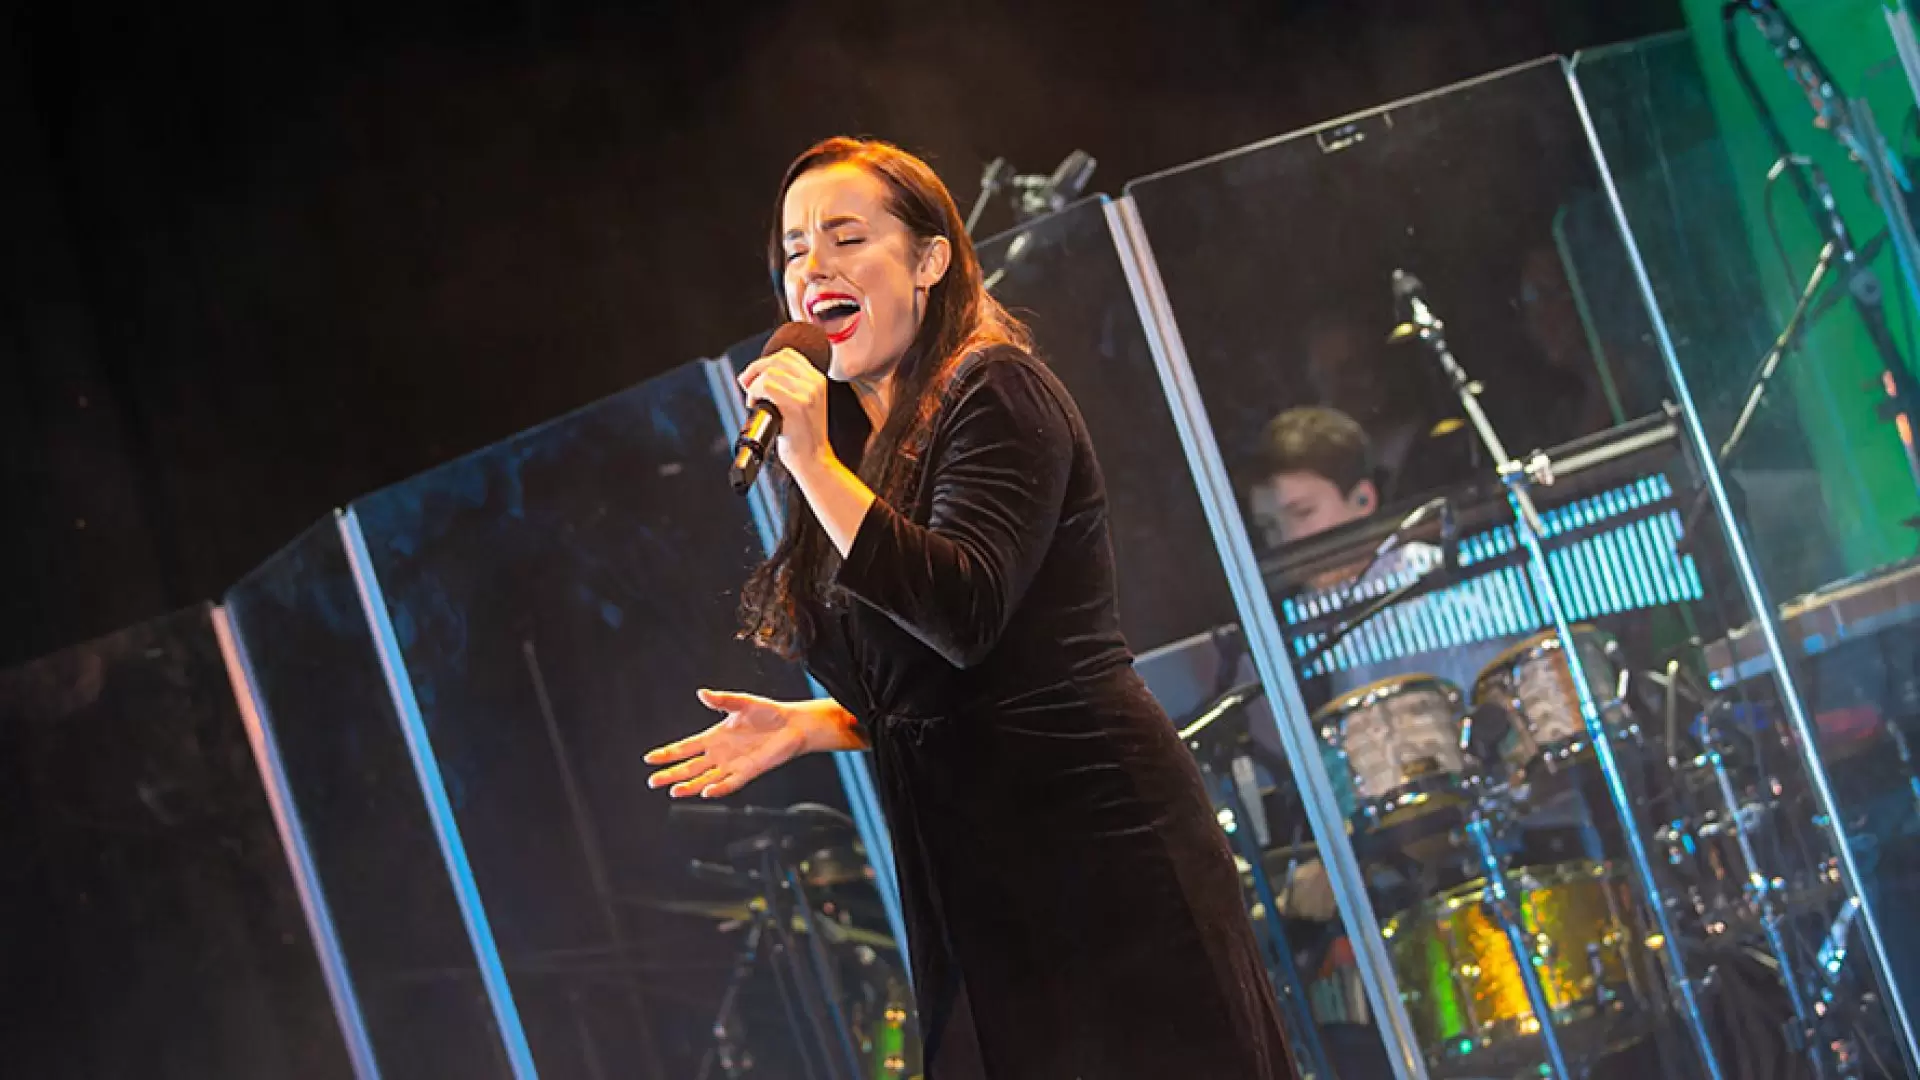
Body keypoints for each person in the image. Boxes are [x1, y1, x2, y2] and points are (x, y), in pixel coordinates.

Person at [643, 138, 1293, 1079]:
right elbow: (950, 678)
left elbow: (966, 611)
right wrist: (817, 725)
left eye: (846, 236)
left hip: (1094, 850)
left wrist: (813, 462)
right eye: (792, 250)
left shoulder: (997, 389)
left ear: (932, 258)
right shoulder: (869, 452)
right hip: (975, 875)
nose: (812, 266)